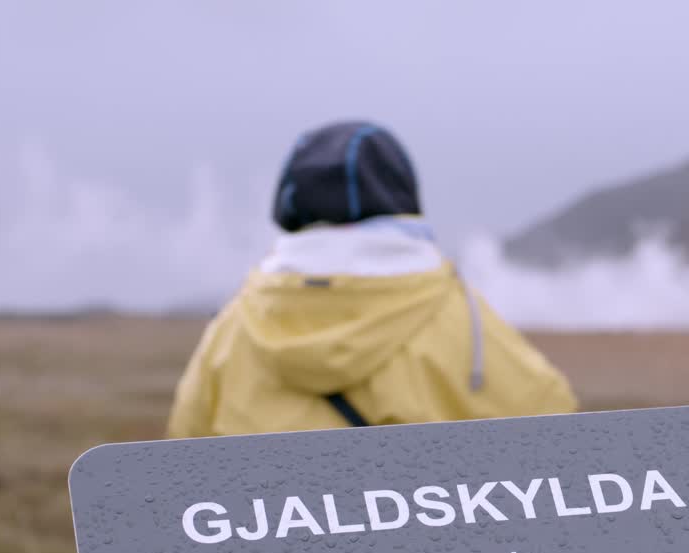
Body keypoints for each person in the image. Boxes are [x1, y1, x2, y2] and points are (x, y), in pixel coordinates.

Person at [168, 120, 577, 438]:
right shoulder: (460, 319)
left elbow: (180, 459)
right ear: (403, 201)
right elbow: (556, 428)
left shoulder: (232, 331)